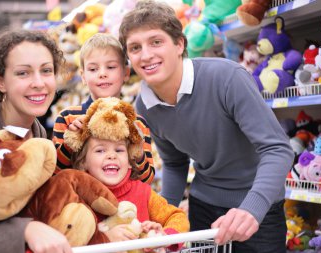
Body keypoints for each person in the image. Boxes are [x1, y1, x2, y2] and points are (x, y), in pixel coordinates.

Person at [118, 1, 295, 252]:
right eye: (135, 48)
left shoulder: (226, 78)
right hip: (203, 208)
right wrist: (162, 216)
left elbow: (278, 149)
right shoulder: (145, 106)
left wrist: (251, 210)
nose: (146, 55)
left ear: (180, 44)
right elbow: (174, 162)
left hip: (257, 210)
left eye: (156, 42)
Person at [0, 30, 72, 253]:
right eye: (23, 73)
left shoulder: (38, 134)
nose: (39, 83)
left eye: (46, 71)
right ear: (1, 82)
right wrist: (26, 230)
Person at [64, 97, 190, 252]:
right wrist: (104, 238)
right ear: (83, 162)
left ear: (130, 160)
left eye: (119, 150)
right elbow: (67, 239)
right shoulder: (78, 199)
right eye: (100, 150)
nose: (112, 156)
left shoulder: (143, 193)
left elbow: (177, 217)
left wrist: (162, 235)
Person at [52, 33, 155, 184]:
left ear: (125, 73)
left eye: (111, 67)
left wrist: (138, 153)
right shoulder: (68, 118)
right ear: (83, 77)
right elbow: (55, 174)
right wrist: (69, 144)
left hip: (125, 205)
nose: (102, 74)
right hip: (80, 203)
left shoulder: (137, 124)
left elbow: (146, 180)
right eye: (93, 69)